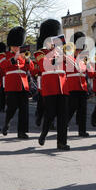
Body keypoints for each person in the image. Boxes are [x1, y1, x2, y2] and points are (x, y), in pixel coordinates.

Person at [35, 19, 70, 151]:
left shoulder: (62, 53)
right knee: (50, 114)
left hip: (63, 86)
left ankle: (61, 142)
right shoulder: (39, 53)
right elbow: (45, 66)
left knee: (63, 116)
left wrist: (68, 58)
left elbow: (76, 67)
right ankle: (43, 133)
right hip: (49, 86)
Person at [1, 27, 34, 140]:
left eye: (18, 46)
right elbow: (2, 66)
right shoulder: (5, 55)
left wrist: (28, 60)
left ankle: (22, 132)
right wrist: (13, 59)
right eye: (15, 46)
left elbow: (32, 69)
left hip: (23, 85)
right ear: (10, 45)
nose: (16, 48)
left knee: (24, 110)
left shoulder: (23, 56)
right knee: (12, 108)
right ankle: (6, 124)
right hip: (12, 85)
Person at [66, 32, 90, 138]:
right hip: (72, 86)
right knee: (71, 108)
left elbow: (88, 72)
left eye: (80, 49)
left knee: (83, 110)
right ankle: (63, 125)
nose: (79, 51)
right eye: (77, 49)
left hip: (82, 86)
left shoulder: (83, 58)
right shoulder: (68, 57)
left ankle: (82, 130)